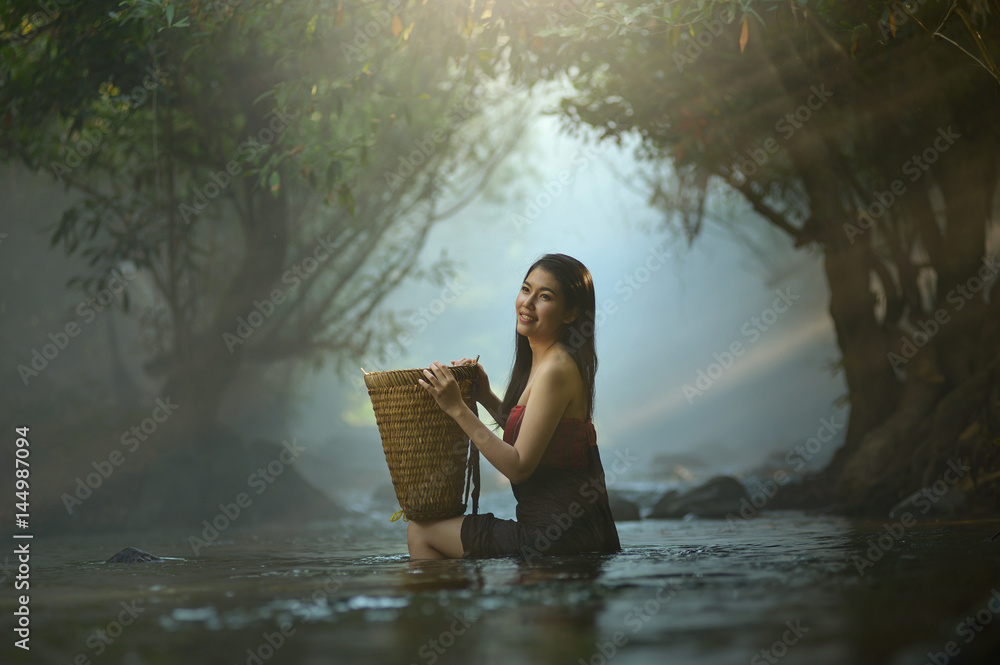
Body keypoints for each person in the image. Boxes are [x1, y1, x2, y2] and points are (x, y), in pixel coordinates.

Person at [409, 253, 622, 560]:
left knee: (421, 532)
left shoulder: (556, 369)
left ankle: (447, 593)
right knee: (426, 530)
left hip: (556, 536)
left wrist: (457, 409)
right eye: (526, 289)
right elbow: (534, 435)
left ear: (570, 313)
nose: (528, 303)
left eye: (545, 296)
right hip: (568, 534)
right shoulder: (549, 361)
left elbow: (519, 466)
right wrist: (485, 396)